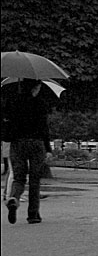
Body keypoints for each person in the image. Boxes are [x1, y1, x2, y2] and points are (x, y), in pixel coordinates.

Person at [4, 80, 52, 225]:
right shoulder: (40, 103)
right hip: (36, 143)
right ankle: (33, 214)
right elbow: (44, 128)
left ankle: (14, 198)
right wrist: (48, 148)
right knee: (35, 179)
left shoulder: (11, 102)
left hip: (17, 142)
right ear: (34, 88)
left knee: (18, 177)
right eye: (38, 87)